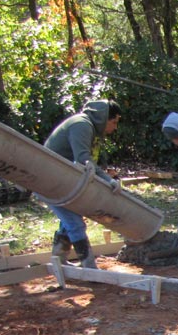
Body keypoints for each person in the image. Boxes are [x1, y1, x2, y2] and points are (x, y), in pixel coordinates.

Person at [43, 99, 122, 268]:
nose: (115, 128)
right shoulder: (82, 125)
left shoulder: (88, 126)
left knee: (70, 220)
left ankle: (59, 261)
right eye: (114, 122)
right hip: (47, 180)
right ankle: (89, 267)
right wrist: (107, 180)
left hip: (58, 180)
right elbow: (83, 160)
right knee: (75, 223)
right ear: (104, 118)